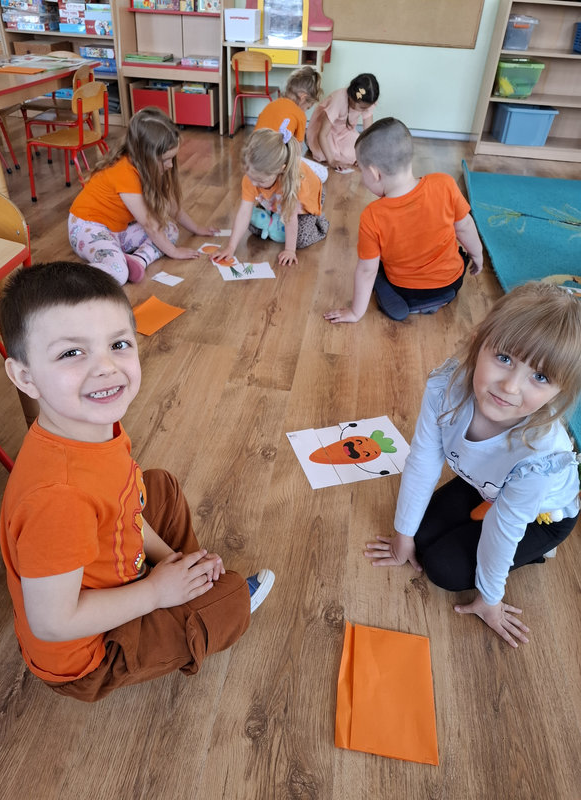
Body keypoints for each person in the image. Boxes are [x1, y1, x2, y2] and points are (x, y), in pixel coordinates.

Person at [0, 261, 275, 702]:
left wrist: (173, 560)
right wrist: (154, 593)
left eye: (118, 344)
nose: (106, 368)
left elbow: (123, 501)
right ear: (24, 377)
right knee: (231, 603)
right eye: (71, 353)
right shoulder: (59, 498)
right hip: (89, 656)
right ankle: (192, 597)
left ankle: (186, 582)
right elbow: (51, 623)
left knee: (158, 485)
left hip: (108, 576)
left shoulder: (90, 424)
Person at [364, 282, 581, 648]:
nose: (509, 387)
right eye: (504, 358)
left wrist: (490, 598)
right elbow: (422, 461)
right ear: (480, 341)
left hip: (542, 518)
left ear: (560, 391)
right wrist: (403, 533)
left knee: (443, 569)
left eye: (540, 377)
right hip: (484, 485)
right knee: (418, 536)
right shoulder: (446, 388)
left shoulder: (540, 456)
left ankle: (539, 551)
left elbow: (505, 528)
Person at [325, 117, 484, 323]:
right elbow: (465, 226)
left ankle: (399, 300)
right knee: (459, 256)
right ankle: (438, 300)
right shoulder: (444, 184)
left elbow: (366, 270)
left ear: (374, 173)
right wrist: (477, 255)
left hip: (406, 291)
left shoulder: (372, 215)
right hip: (450, 284)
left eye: (362, 171)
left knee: (376, 268)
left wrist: (355, 312)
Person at [68, 107, 218, 286]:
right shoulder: (124, 173)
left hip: (117, 230)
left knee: (170, 229)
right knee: (118, 273)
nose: (170, 165)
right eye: (165, 160)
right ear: (147, 156)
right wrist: (174, 252)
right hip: (87, 228)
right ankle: (72, 278)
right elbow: (149, 224)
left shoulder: (146, 166)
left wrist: (197, 228)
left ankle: (138, 260)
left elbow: (170, 205)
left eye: (172, 158)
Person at [214, 127, 329, 267]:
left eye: (260, 181)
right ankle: (275, 218)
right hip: (275, 201)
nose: (253, 184)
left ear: (280, 170)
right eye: (250, 177)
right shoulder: (252, 179)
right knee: (252, 225)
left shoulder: (294, 183)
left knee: (300, 239)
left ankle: (320, 223)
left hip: (305, 204)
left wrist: (289, 250)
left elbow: (290, 218)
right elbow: (244, 212)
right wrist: (230, 247)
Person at [306, 73, 379, 171]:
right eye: (362, 108)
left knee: (356, 152)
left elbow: (368, 134)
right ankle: (309, 140)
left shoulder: (367, 103)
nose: (365, 110)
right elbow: (322, 134)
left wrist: (363, 157)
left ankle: (339, 151)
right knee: (323, 153)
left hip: (345, 132)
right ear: (352, 98)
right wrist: (332, 161)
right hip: (326, 132)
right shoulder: (338, 100)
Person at [255, 65, 322, 144]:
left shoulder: (271, 104)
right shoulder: (300, 115)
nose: (305, 111)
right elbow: (298, 147)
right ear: (303, 98)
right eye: (307, 107)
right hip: (276, 151)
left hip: (255, 147)